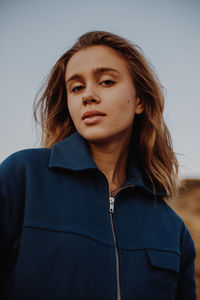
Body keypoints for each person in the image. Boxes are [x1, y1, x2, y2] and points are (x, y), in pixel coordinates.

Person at [0, 31, 196, 300]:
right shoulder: (22, 177)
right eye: (76, 87)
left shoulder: (173, 230)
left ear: (139, 100)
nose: (88, 95)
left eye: (106, 81)